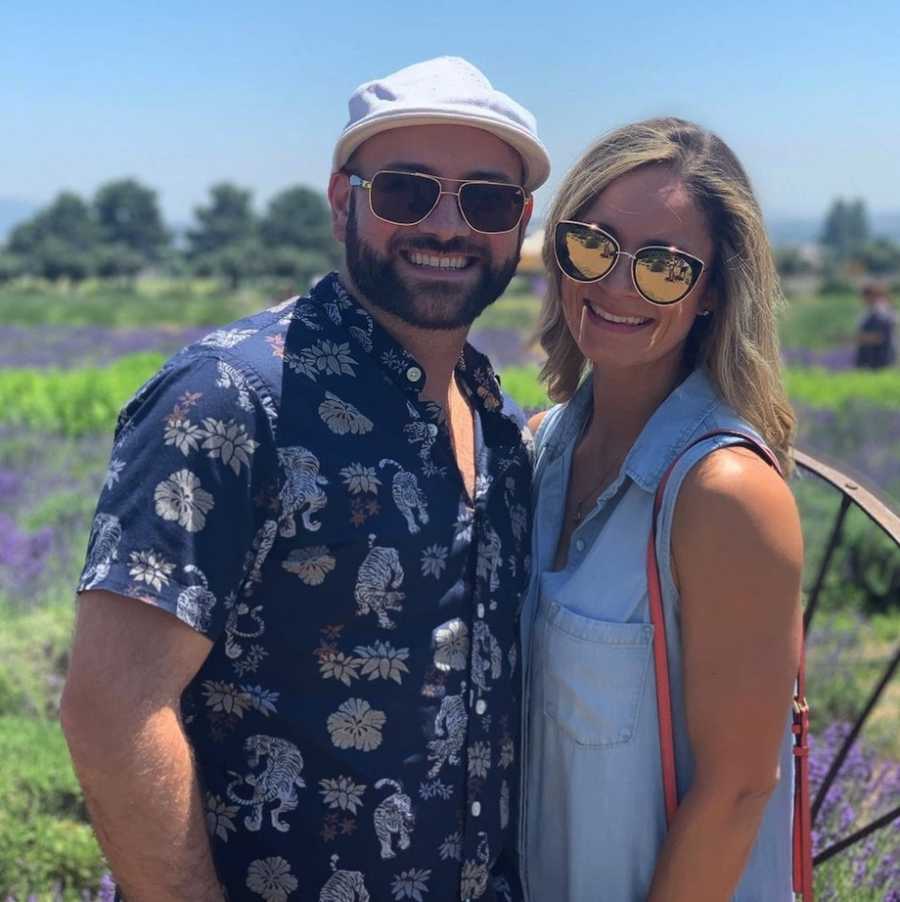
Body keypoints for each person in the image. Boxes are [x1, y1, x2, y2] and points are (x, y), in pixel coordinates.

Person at [60, 56, 549, 902]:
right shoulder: (231, 398)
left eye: (486, 200)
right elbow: (112, 709)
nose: (446, 225)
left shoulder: (493, 418)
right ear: (341, 201)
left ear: (518, 223)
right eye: (405, 191)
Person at [518, 119, 804, 901]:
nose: (616, 286)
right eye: (593, 246)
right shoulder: (544, 452)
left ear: (712, 290)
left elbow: (740, 790)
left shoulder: (722, 494)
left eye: (664, 268)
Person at [855, 281, 896, 369]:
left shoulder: (883, 313)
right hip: (868, 356)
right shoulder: (868, 312)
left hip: (880, 357)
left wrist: (860, 338)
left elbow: (881, 336)